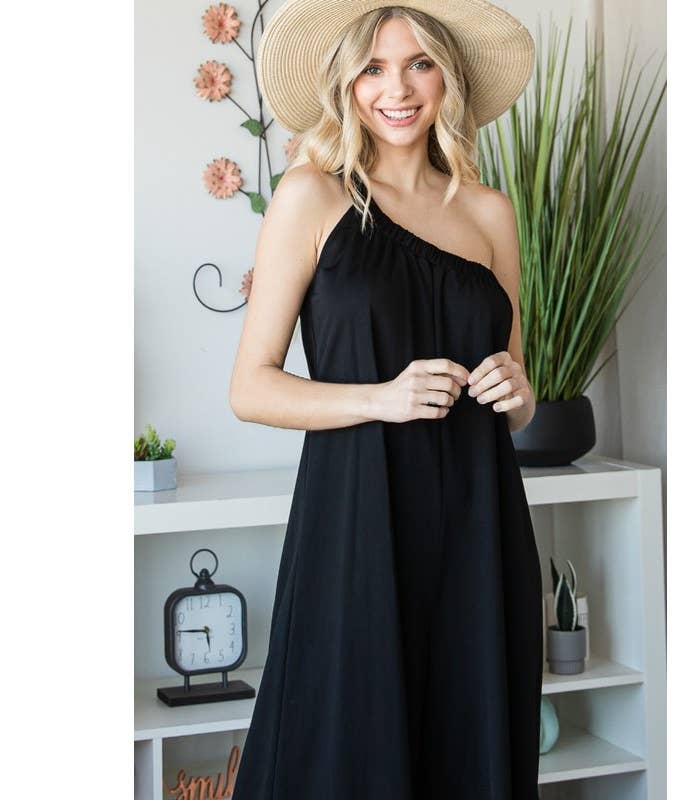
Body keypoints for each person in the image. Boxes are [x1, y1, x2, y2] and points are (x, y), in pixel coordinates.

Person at [229, 1, 543, 797]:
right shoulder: (311, 196)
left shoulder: (490, 212)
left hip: (479, 524)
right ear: (346, 83)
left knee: (469, 746)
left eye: (418, 64)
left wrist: (517, 391)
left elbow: (519, 396)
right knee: (347, 747)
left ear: (448, 78)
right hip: (357, 519)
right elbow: (251, 387)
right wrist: (381, 398)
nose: (396, 89)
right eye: (373, 68)